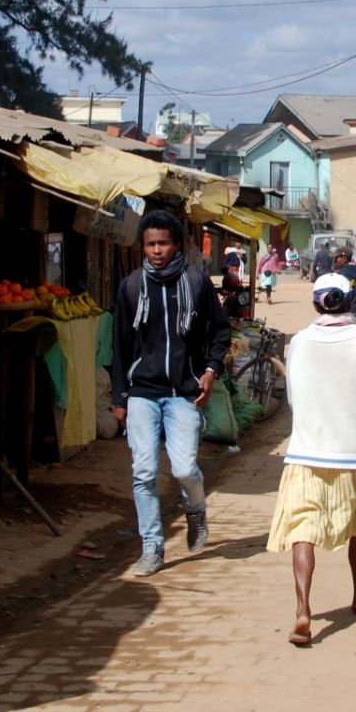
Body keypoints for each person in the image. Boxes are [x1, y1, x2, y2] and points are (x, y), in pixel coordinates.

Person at [266, 273, 356, 646]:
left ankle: (303, 610)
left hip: (306, 454)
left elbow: (294, 398)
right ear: (350, 301)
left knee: (303, 530)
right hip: (355, 457)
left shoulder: (300, 343)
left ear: (315, 304)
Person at [112, 209, 232, 577]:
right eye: (150, 244)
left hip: (183, 392)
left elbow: (220, 330)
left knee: (184, 469)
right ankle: (152, 548)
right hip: (142, 394)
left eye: (163, 243)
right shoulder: (131, 286)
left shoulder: (196, 282)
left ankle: (195, 510)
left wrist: (211, 370)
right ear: (142, 248)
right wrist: (120, 398)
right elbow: (121, 347)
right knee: (143, 471)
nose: (157, 250)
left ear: (176, 244)